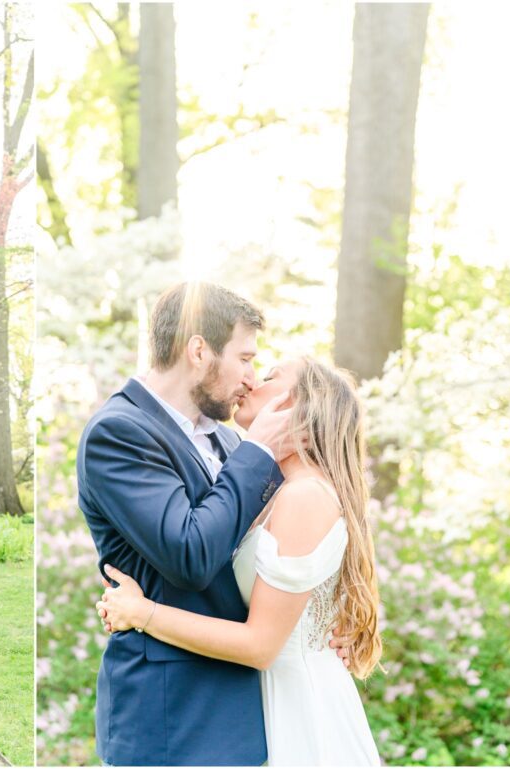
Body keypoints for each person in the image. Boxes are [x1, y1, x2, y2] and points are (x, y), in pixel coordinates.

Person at [97, 357, 382, 765]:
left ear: (304, 406)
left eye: (268, 378)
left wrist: (143, 612)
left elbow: (261, 645)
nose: (250, 382)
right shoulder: (277, 486)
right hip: (252, 705)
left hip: (296, 707)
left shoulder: (304, 497)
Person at [76, 282, 294, 766]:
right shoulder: (119, 433)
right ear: (199, 350)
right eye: (244, 358)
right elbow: (190, 556)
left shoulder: (231, 445)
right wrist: (260, 452)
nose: (252, 379)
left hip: (242, 704)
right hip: (171, 717)